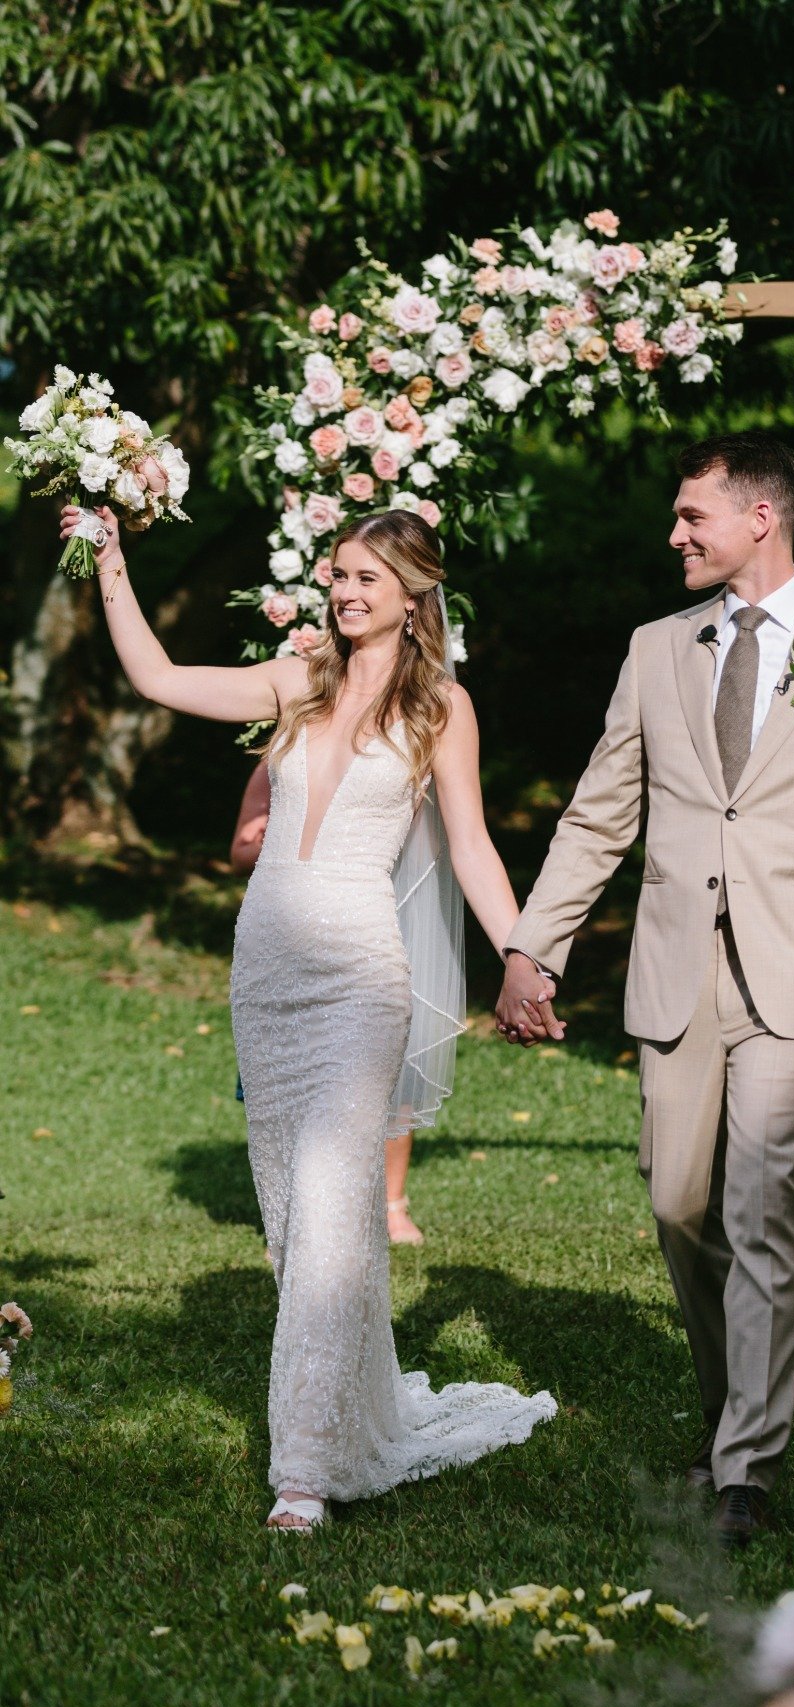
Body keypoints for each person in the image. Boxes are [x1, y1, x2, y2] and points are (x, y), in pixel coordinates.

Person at [62, 500, 556, 1532]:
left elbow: (470, 848)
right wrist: (110, 558)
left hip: (359, 978)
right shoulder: (299, 680)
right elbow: (158, 678)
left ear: (414, 596)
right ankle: (355, 1410)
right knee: (297, 1227)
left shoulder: (442, 711)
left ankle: (306, 1472)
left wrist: (525, 954)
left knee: (338, 1213)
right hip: (266, 978)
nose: (343, 591)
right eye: (337, 574)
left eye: (366, 578)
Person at [496, 431, 794, 1546]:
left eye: (692, 516)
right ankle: (727, 1405)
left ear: (762, 519)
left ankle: (745, 1467)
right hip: (676, 971)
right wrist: (530, 947)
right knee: (678, 1202)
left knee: (759, 1204)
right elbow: (602, 810)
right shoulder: (658, 648)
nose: (675, 534)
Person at [229, 760, 425, 1246]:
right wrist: (276, 836)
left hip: (371, 924)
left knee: (382, 1079)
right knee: (291, 1087)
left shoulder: (398, 760)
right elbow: (239, 851)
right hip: (290, 946)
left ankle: (389, 1203)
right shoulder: (279, 760)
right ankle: (300, 1207)